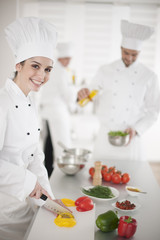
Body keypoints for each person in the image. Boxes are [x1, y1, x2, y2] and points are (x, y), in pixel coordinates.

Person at [0, 17, 70, 240]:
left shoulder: (30, 100)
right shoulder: (3, 102)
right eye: (35, 66)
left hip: (29, 203)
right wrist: (30, 183)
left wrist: (48, 197)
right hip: (6, 210)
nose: (42, 76)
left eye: (48, 69)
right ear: (18, 65)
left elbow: (35, 155)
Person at [77, 19, 160, 161]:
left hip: (131, 138)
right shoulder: (105, 70)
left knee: (130, 180)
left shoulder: (149, 76)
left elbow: (153, 111)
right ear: (121, 48)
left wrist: (137, 129)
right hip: (105, 135)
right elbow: (89, 94)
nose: (129, 58)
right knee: (99, 178)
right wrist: (82, 94)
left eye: (134, 54)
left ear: (140, 52)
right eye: (126, 53)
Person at [40, 42, 77, 175]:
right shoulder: (61, 72)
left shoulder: (52, 69)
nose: (67, 61)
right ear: (60, 58)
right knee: (61, 143)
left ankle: (48, 170)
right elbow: (68, 94)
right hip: (56, 112)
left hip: (47, 111)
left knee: (49, 142)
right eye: (65, 58)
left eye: (69, 59)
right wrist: (74, 101)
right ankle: (61, 172)